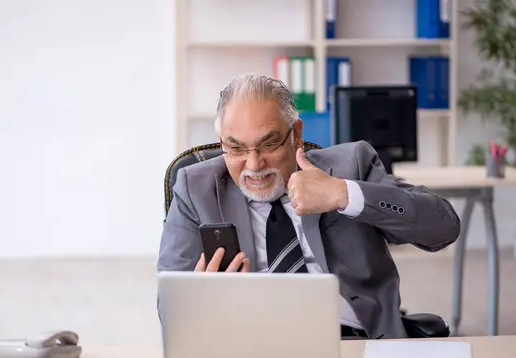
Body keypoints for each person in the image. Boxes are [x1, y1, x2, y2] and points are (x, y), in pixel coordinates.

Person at [157, 73, 461, 339]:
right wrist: (201, 301)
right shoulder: (194, 187)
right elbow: (169, 310)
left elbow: (444, 228)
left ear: (296, 134)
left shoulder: (351, 165)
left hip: (354, 341)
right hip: (247, 344)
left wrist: (346, 194)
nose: (253, 164)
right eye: (235, 148)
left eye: (269, 144)